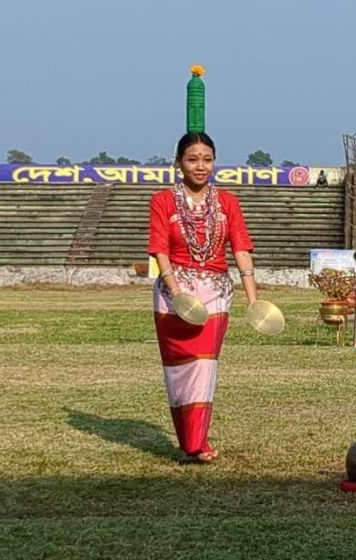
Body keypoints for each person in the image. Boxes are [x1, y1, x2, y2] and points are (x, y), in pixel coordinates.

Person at [148, 131, 257, 464]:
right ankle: (189, 441)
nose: (200, 166)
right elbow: (159, 250)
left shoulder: (228, 203)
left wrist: (254, 301)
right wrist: (177, 292)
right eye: (192, 159)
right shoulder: (163, 201)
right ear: (178, 162)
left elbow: (240, 248)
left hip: (215, 295)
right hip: (172, 296)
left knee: (204, 367)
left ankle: (198, 444)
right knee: (178, 371)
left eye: (207, 159)